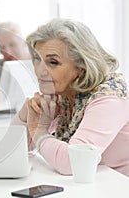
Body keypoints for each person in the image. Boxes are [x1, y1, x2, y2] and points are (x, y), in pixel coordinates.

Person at [13, 18, 129, 176]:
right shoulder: (64, 91)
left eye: (53, 62)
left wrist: (39, 130)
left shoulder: (109, 97)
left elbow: (73, 163)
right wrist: (25, 114)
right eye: (37, 59)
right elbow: (12, 150)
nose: (40, 71)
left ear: (81, 67)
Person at [0, 22, 30, 106]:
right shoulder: (2, 64)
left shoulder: (38, 62)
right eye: (2, 47)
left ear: (23, 41)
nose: (8, 52)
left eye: (12, 45)